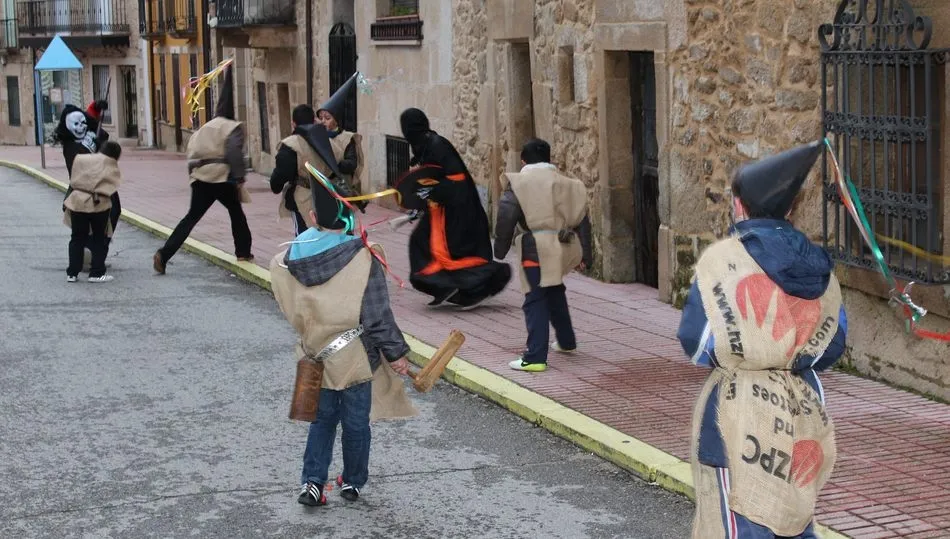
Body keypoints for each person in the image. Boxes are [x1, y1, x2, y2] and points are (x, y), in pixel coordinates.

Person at [676, 141, 848, 539]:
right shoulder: (819, 267)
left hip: (737, 412)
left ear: (739, 206)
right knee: (793, 513)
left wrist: (750, 351)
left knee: (740, 518)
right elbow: (833, 343)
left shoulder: (723, 260)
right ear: (791, 209)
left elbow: (697, 338)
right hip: (802, 406)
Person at [269, 171, 416, 507]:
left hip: (313, 352)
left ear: (312, 216)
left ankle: (312, 483)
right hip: (354, 356)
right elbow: (377, 315)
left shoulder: (290, 257)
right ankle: (352, 482)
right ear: (349, 216)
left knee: (321, 421)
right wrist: (396, 354)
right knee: (355, 423)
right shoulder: (363, 256)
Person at [397, 107, 512, 309]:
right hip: (441, 207)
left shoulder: (437, 144)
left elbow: (456, 179)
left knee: (458, 252)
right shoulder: (423, 144)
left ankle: (480, 287)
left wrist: (433, 193)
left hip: (459, 209)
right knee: (420, 243)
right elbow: (430, 177)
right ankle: (444, 287)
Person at [493, 139, 592, 372]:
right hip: (565, 246)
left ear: (523, 160)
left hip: (535, 246)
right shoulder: (569, 184)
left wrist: (500, 250)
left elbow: (506, 215)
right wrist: (586, 255)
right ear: (550, 159)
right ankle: (567, 341)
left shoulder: (519, 182)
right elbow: (582, 221)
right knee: (554, 290)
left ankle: (535, 356)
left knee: (534, 298)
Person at [153, 65, 253, 274]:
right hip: (222, 178)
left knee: (191, 217)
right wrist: (240, 176)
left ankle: (164, 253)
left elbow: (191, 152)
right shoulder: (231, 127)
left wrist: (194, 176)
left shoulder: (204, 128)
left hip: (200, 177)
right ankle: (243, 251)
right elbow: (234, 152)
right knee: (236, 213)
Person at [54, 100, 122, 259]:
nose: (81, 127)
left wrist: (94, 109)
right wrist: (90, 147)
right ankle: (90, 254)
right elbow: (78, 165)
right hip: (83, 189)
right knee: (86, 223)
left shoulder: (91, 135)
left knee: (114, 212)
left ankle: (99, 249)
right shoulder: (70, 145)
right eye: (76, 124)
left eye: (83, 122)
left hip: (103, 184)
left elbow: (96, 131)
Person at [270, 104, 336, 236]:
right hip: (328, 194)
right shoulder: (327, 140)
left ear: (293, 123)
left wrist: (275, 185)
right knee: (328, 235)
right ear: (313, 121)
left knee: (305, 237)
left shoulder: (291, 144)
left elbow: (282, 172)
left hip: (304, 197)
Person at [63, 141, 123, 283]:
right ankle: (96, 273)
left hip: (77, 201)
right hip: (98, 202)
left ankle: (72, 273)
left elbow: (73, 179)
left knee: (77, 238)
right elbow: (113, 183)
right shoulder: (109, 163)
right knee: (99, 238)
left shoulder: (81, 158)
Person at [316, 72, 367, 211]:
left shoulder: (347, 138)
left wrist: (334, 163)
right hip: (322, 189)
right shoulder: (318, 137)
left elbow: (351, 164)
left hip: (341, 188)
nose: (323, 121)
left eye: (327, 118)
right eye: (321, 118)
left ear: (336, 119)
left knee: (344, 223)